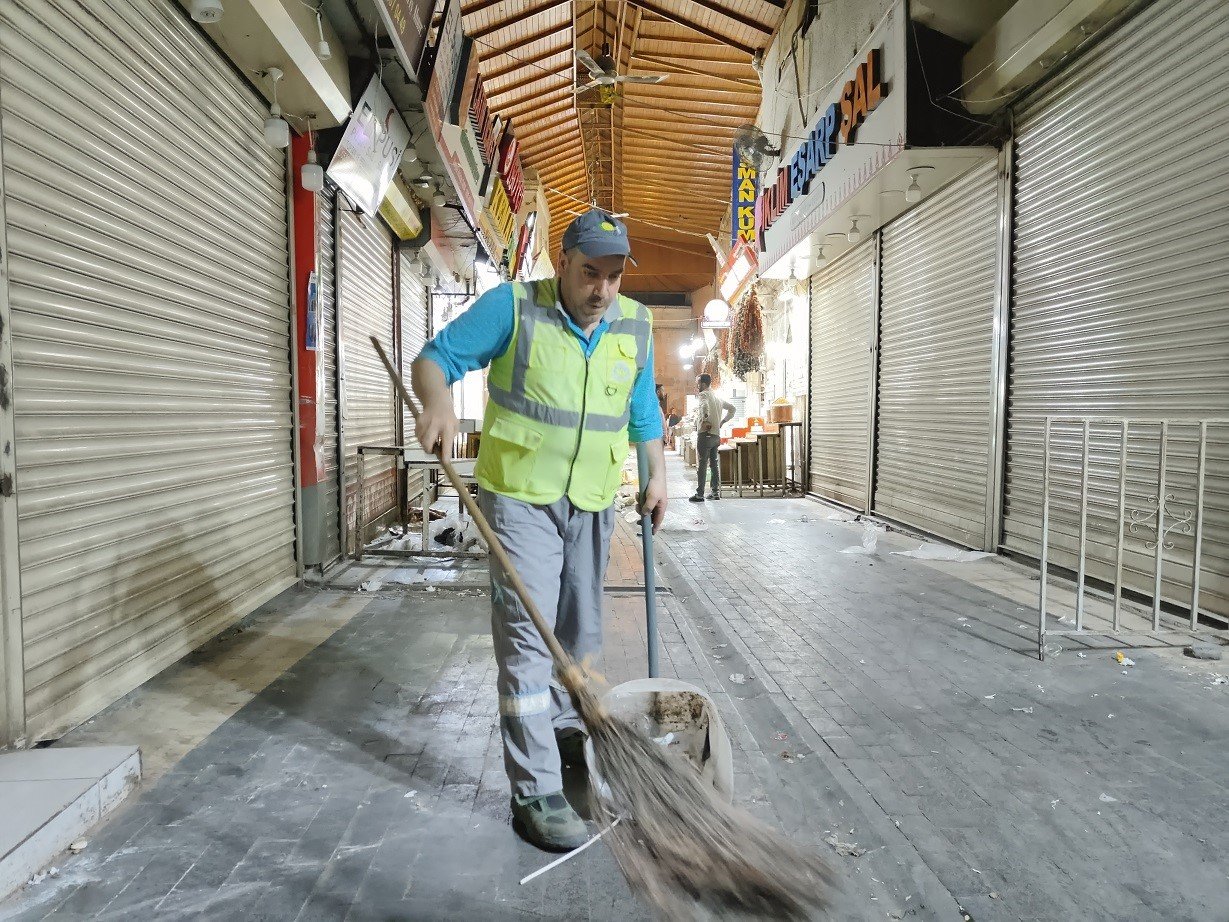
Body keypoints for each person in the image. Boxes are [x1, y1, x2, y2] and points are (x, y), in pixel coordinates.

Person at [411, 210, 668, 852]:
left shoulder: (635, 324)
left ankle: (564, 731)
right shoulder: (514, 308)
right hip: (521, 500)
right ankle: (535, 791)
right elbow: (435, 359)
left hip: (593, 501)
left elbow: (643, 411)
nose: (602, 290)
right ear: (563, 262)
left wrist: (657, 474)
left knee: (580, 637)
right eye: (590, 273)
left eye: (613, 276)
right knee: (529, 638)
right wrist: (438, 401)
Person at [690, 373, 734, 502]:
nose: (697, 386)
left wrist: (705, 419)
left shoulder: (703, 395)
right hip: (716, 436)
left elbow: (704, 406)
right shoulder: (717, 397)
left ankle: (700, 494)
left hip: (705, 434)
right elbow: (732, 409)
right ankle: (715, 492)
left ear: (703, 384)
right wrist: (723, 421)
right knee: (714, 464)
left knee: (702, 464)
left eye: (698, 383)